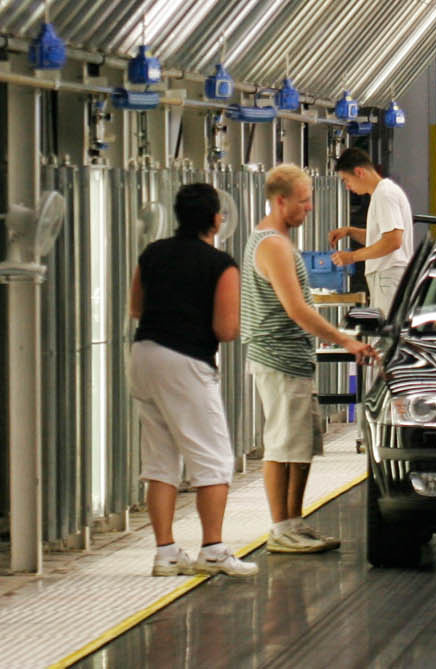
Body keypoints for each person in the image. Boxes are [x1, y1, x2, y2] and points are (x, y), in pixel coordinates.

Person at [128, 183, 256, 577]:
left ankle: (165, 553)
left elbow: (136, 308)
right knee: (214, 459)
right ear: (217, 219)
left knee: (160, 459)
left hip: (144, 355)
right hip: (185, 363)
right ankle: (213, 549)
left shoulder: (152, 253)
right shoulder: (221, 264)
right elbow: (226, 330)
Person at [249, 164, 377, 554]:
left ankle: (294, 523)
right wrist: (346, 341)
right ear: (280, 201)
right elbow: (297, 309)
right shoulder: (272, 245)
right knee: (283, 444)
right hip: (278, 357)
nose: (309, 208)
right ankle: (280, 528)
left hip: (294, 357)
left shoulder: (281, 243)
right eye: (303, 201)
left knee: (301, 444)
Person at [330, 148, 416, 311]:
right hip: (387, 278)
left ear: (359, 172)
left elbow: (392, 241)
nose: (347, 186)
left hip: (388, 277)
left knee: (385, 326)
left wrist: (352, 257)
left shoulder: (384, 194)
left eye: (346, 180)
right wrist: (349, 231)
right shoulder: (382, 193)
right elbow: (381, 239)